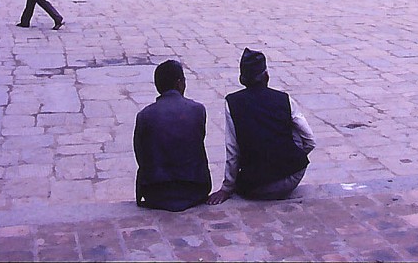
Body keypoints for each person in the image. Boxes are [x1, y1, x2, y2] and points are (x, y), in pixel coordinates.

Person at [208, 48, 315, 205]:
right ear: (266, 75)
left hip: (255, 186)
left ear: (242, 79)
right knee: (294, 131)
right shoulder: (284, 99)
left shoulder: (232, 102)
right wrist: (293, 158)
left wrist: (227, 187)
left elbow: (233, 150)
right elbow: (310, 140)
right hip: (292, 176)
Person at [133, 59, 211, 212]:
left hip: (156, 192)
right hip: (194, 189)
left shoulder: (145, 115)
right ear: (179, 83)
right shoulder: (197, 110)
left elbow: (140, 155)